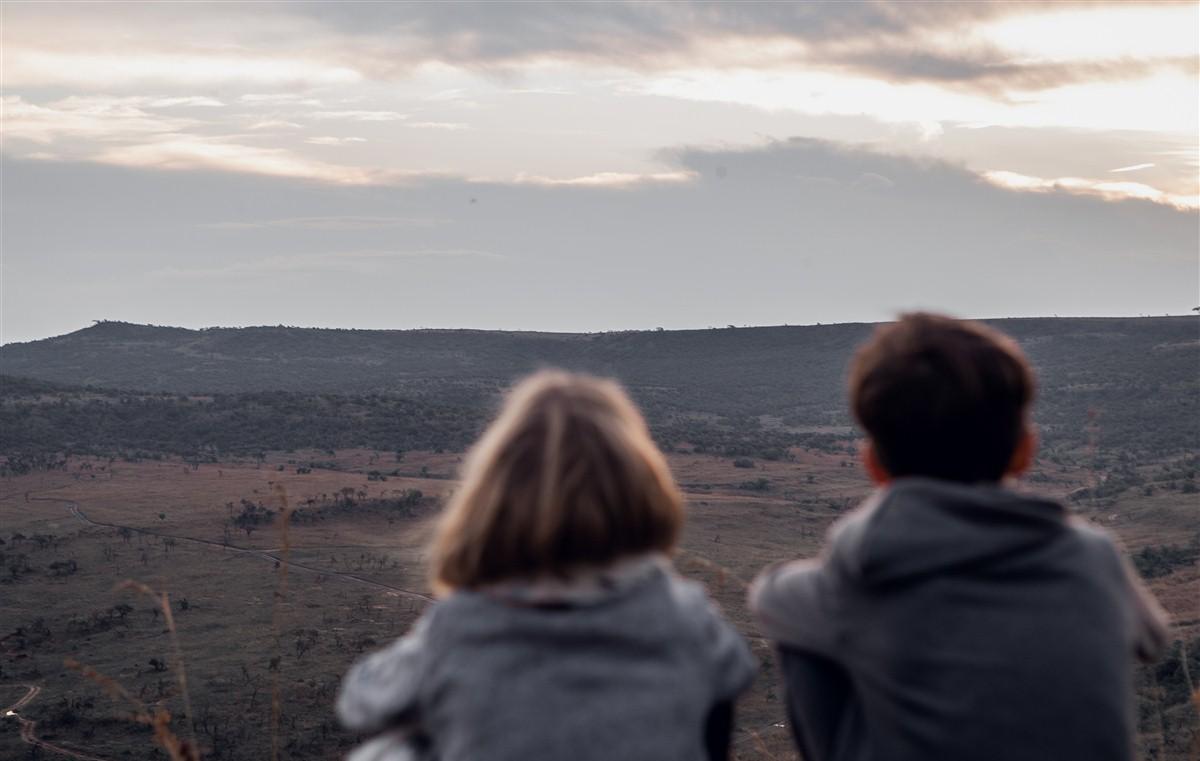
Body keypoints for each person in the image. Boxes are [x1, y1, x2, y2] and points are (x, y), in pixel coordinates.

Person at [750, 313, 1169, 761]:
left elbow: (769, 601)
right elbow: (1153, 641)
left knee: (805, 642)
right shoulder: (1091, 555)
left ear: (872, 464)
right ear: (1025, 450)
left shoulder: (854, 581)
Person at [338, 371, 754, 761]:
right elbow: (734, 676)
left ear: (490, 502)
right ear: (642, 491)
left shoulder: (460, 627)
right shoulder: (687, 621)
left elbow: (362, 702)